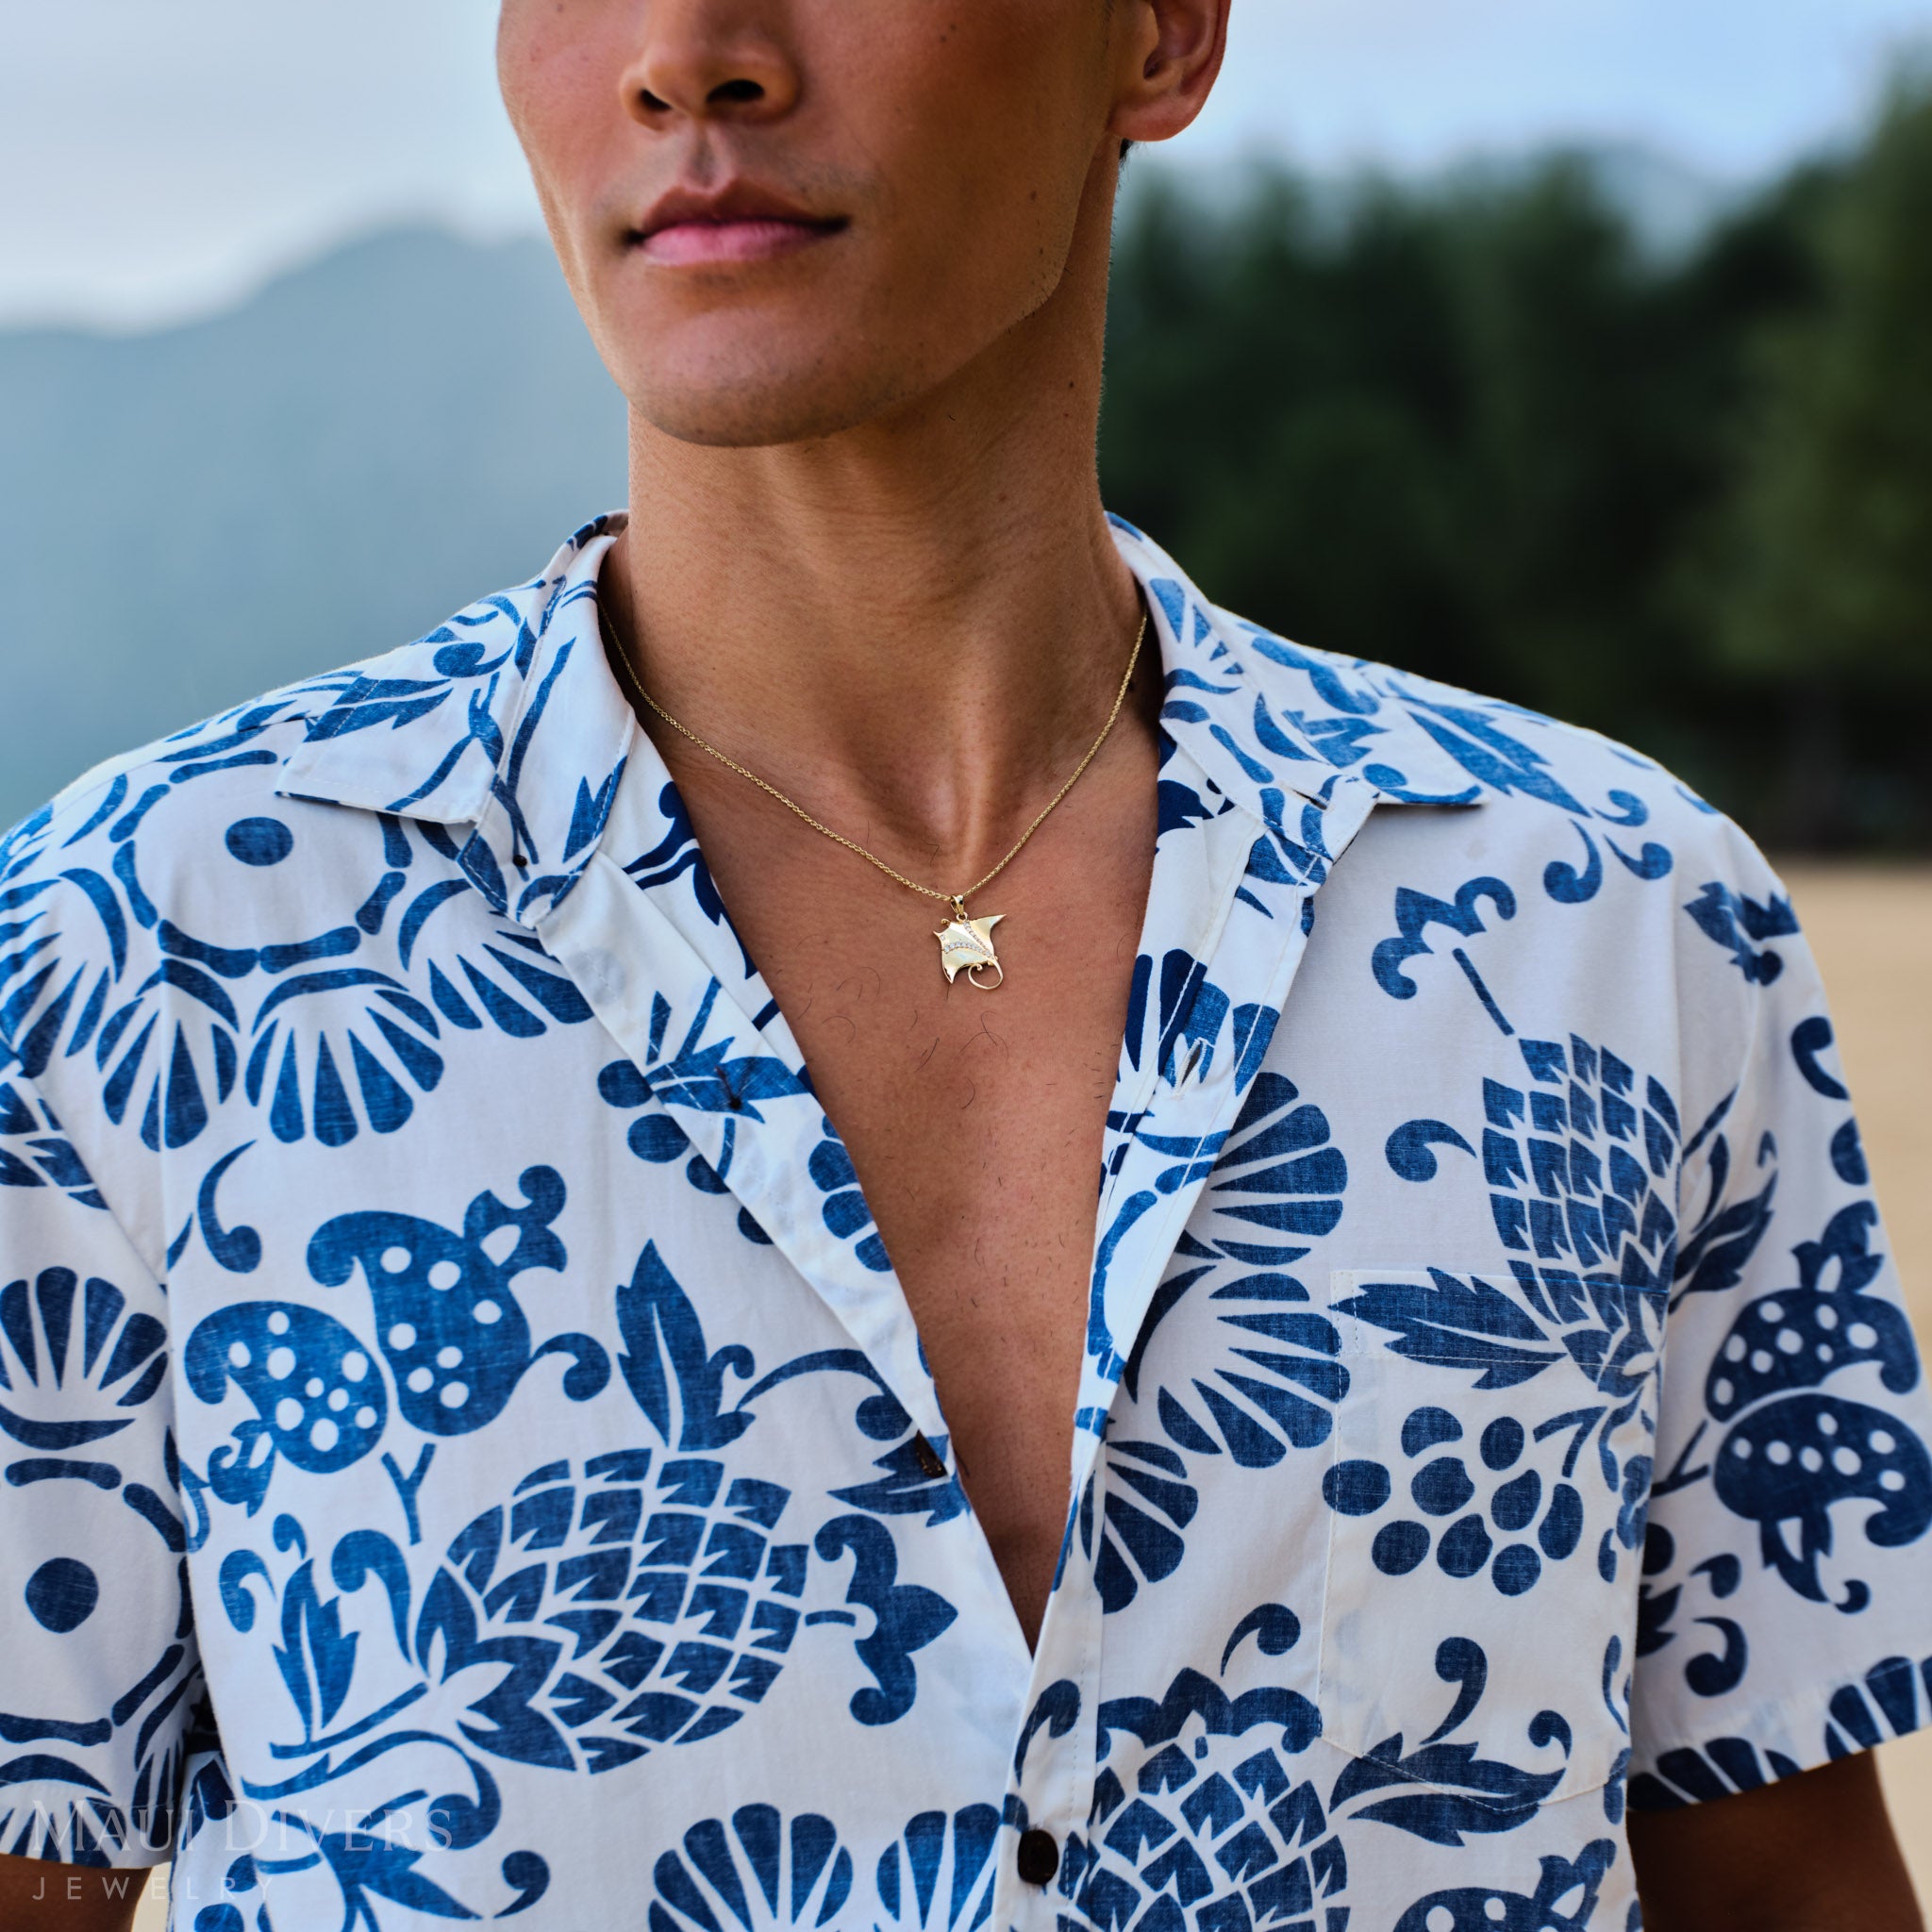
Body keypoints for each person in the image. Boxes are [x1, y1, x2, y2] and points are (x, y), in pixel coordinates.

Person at [2, 3, 1927, 1927]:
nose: (686, 56)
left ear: (1160, 39)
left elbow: (1782, 1873)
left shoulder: (1612, 923)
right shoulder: (140, 955)